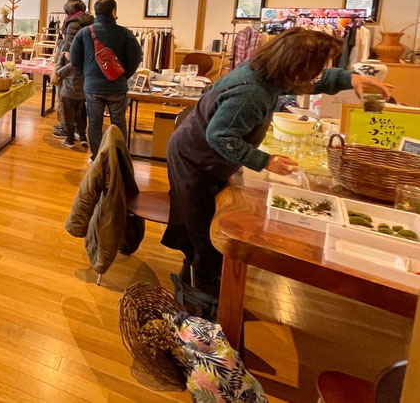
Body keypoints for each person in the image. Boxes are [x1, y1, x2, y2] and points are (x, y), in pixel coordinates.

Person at [160, 28, 392, 319]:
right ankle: (204, 306)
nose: (319, 72)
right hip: (195, 159)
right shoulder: (251, 92)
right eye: (318, 66)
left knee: (200, 227)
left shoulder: (266, 73)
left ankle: (198, 284)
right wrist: (264, 161)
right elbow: (221, 137)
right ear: (297, 65)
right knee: (204, 233)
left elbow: (313, 83)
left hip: (199, 152)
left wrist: (350, 78)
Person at [69, 0, 142, 157]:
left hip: (93, 87)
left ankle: (97, 158)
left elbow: (74, 59)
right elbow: (136, 57)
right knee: (118, 123)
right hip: (117, 86)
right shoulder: (125, 33)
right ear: (114, 12)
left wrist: (88, 75)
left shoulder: (84, 33)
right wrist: (122, 75)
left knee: (94, 124)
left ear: (96, 12)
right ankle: (119, 158)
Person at [52, 0, 94, 139]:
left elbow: (68, 45)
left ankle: (66, 129)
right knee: (79, 99)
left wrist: (60, 63)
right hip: (85, 65)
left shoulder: (73, 23)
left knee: (66, 98)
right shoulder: (89, 21)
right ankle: (78, 130)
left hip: (70, 64)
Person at [54, 50, 88, 149]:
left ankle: (70, 140)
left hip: (69, 95)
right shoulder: (86, 64)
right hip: (82, 95)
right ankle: (82, 137)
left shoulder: (72, 65)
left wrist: (61, 58)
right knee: (81, 117)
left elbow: (59, 72)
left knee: (69, 118)